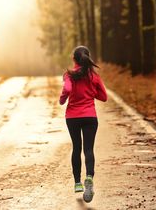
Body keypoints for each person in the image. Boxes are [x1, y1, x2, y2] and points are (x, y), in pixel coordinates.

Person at [59, 45, 107, 203]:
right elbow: (103, 96)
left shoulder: (69, 75)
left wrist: (62, 99)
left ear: (74, 59)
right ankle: (89, 177)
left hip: (72, 117)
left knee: (76, 148)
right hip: (90, 117)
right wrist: (91, 93)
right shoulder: (94, 76)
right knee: (88, 149)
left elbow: (67, 89)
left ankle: (78, 183)